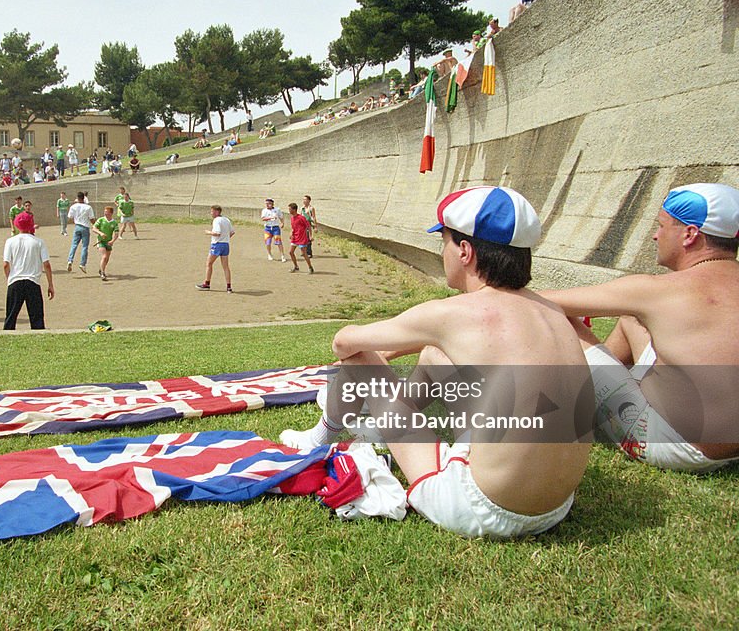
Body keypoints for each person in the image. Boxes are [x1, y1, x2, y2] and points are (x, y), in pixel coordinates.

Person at [281, 186, 593, 539]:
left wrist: (376, 358)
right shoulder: (551, 310)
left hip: (483, 507)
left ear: (464, 251)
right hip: (555, 507)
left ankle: (321, 435)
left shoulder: (454, 314)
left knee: (361, 361)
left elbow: (344, 342)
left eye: (443, 241)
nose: (441, 251)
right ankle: (388, 427)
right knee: (434, 355)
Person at [541, 183, 739, 472]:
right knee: (631, 318)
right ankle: (596, 392)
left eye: (661, 226)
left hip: (677, 446)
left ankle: (579, 401)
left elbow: (542, 302)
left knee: (563, 320)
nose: (655, 236)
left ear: (689, 234)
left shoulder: (657, 290)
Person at [3, 212, 54, 330]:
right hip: (33, 281)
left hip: (15, 281)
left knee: (10, 316)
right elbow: (46, 264)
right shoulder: (39, 241)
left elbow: (6, 264)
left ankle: (7, 336)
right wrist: (50, 284)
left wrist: (9, 279)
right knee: (37, 318)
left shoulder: (10, 241)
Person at [196, 205, 234, 293]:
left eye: (212, 211)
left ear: (217, 212)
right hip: (226, 244)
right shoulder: (226, 219)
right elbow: (232, 232)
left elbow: (217, 233)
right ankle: (229, 287)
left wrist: (208, 232)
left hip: (217, 245)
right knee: (225, 266)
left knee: (209, 263)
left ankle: (207, 283)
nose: (211, 213)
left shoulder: (216, 220)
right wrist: (225, 238)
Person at [66, 191, 96, 273]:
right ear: (84, 198)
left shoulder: (73, 206)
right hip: (85, 227)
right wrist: (96, 225)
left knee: (74, 244)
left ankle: (70, 260)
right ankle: (82, 264)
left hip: (77, 226)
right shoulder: (88, 207)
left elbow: (70, 217)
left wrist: (76, 220)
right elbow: (92, 219)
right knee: (84, 246)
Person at [92, 205, 120, 281]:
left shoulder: (114, 222)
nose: (105, 214)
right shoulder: (101, 220)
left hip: (108, 242)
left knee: (107, 258)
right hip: (101, 241)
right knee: (104, 256)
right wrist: (100, 233)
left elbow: (116, 233)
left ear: (111, 213)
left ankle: (101, 269)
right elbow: (94, 228)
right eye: (105, 212)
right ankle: (103, 273)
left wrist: (112, 241)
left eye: (107, 213)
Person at [287, 202, 314, 274]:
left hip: (302, 238)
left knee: (304, 253)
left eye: (290, 209)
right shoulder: (292, 218)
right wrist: (291, 233)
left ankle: (310, 267)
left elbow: (308, 226)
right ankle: (296, 267)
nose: (289, 211)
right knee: (291, 252)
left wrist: (310, 236)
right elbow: (293, 228)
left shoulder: (301, 218)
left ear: (294, 209)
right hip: (295, 238)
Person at [261, 198, 287, 262]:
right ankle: (269, 254)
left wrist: (282, 223)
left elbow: (281, 217)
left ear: (272, 204)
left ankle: (282, 255)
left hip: (275, 228)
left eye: (268, 203)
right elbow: (263, 218)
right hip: (268, 228)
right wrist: (270, 218)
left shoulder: (277, 210)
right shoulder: (264, 210)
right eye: (266, 204)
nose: (267, 205)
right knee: (268, 242)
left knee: (278, 242)